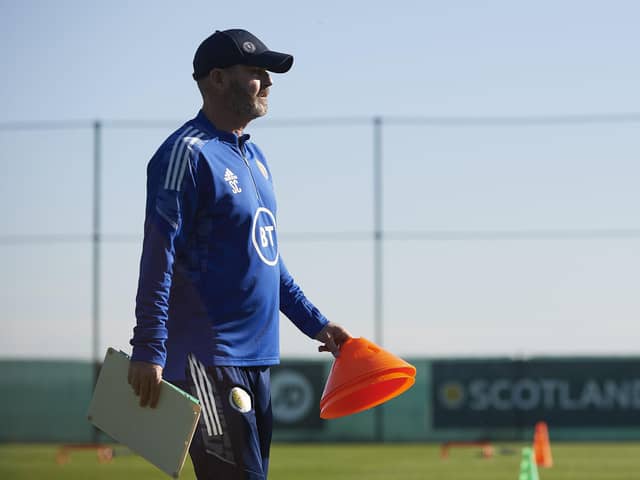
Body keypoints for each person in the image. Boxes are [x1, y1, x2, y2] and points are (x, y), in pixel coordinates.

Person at [127, 28, 351, 480]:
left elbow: (266, 258)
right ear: (216, 79)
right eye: (255, 72)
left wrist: (316, 323)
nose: (267, 83)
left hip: (257, 361)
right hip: (205, 364)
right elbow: (158, 254)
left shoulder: (256, 158)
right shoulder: (184, 154)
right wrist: (149, 347)